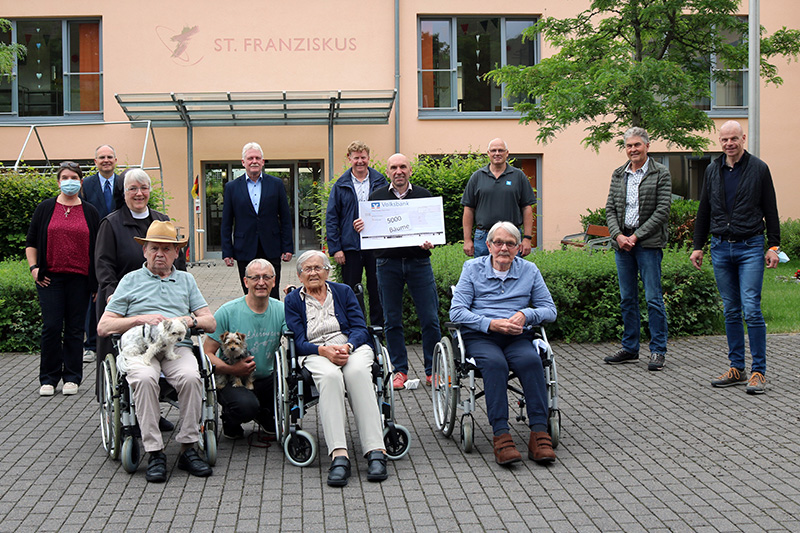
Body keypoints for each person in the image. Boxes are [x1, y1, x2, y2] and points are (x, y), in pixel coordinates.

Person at [97, 220, 216, 483]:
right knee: (143, 378)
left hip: (176, 347)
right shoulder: (130, 280)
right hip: (140, 348)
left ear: (176, 253)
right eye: (154, 249)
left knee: (191, 377)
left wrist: (189, 321)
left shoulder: (186, 280)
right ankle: (155, 451)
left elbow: (210, 321)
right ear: (144, 251)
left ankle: (187, 447)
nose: (159, 254)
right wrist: (139, 319)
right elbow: (104, 326)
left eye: (166, 249)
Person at [450, 221, 557, 466]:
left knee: (531, 361)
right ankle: (501, 435)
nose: (503, 248)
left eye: (510, 243)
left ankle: (539, 433)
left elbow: (550, 310)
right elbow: (456, 312)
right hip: (482, 336)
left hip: (517, 336)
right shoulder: (472, 268)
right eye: (498, 242)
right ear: (488, 246)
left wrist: (526, 315)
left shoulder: (529, 271)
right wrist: (490, 323)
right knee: (495, 365)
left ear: (519, 247)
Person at [284, 250, 389, 487]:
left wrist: (348, 346)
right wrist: (324, 351)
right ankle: (339, 455)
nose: (313, 273)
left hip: (351, 347)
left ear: (327, 271)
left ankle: (375, 451)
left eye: (318, 268)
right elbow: (298, 341)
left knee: (358, 373)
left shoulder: (343, 292)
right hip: (315, 351)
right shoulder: (292, 301)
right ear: (300, 276)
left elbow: (361, 327)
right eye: (307, 269)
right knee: (330, 377)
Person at [690, 120, 780, 395]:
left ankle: (758, 372)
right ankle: (736, 368)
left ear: (743, 139)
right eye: (724, 139)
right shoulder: (712, 170)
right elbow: (704, 210)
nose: (729, 144)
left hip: (750, 246)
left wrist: (774, 246)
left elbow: (771, 209)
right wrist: (698, 245)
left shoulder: (759, 169)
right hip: (719, 247)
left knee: (751, 309)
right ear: (719, 141)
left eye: (734, 139)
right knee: (730, 309)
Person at [94, 168, 185, 433]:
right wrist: (112, 293)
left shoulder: (161, 219)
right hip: (123, 302)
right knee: (125, 356)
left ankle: (152, 412)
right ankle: (123, 413)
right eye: (133, 188)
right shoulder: (111, 223)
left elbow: (178, 261)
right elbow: (103, 263)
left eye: (143, 188)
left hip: (161, 300)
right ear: (124, 193)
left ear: (149, 191)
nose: (139, 193)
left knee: (159, 352)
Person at [354, 153, 441, 390]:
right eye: (394, 167)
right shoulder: (376, 197)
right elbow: (370, 232)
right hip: (387, 265)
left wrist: (431, 240)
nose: (399, 171)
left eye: (403, 166)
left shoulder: (423, 196)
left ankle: (433, 371)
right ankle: (399, 371)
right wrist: (362, 226)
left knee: (430, 318)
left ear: (409, 170)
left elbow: (434, 231)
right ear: (388, 172)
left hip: (418, 262)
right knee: (391, 320)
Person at [26, 162, 100, 397]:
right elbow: (31, 242)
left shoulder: (90, 211)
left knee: (76, 329)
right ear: (58, 182)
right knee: (51, 327)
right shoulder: (45, 208)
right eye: (65, 177)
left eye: (74, 178)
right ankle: (48, 378)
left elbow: (98, 249)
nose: (70, 181)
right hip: (50, 279)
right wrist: (34, 268)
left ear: (80, 181)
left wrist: (96, 282)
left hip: (79, 279)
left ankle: (72, 377)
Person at [604, 127, 671, 371]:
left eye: (637, 145)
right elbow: (610, 208)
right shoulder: (619, 173)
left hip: (648, 245)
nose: (633, 149)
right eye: (629, 146)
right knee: (627, 298)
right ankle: (630, 347)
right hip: (622, 245)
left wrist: (636, 236)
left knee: (653, 298)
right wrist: (619, 236)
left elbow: (663, 210)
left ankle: (658, 350)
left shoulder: (660, 173)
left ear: (647, 146)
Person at [203, 259, 285, 439]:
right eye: (255, 277)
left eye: (266, 277)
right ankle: (230, 418)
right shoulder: (227, 311)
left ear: (274, 281)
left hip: (267, 378)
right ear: (245, 281)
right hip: (234, 378)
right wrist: (232, 369)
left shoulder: (282, 309)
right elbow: (207, 352)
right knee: (245, 407)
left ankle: (264, 413)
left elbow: (297, 336)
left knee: (296, 385)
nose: (261, 282)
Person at [325, 140, 387, 326]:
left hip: (375, 245)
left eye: (363, 157)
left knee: (377, 288)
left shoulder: (380, 181)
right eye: (356, 158)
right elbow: (331, 217)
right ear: (349, 159)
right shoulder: (340, 184)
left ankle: (377, 328)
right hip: (350, 246)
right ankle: (355, 327)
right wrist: (336, 248)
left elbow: (386, 211)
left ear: (368, 158)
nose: (360, 161)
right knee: (351, 290)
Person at [221, 142, 293, 298]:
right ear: (243, 162)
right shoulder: (232, 187)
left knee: (272, 292)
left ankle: (274, 321)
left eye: (257, 158)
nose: (254, 161)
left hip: (271, 247)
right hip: (244, 248)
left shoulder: (276, 184)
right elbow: (226, 222)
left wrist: (287, 247)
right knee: (249, 293)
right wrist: (227, 251)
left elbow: (285, 218)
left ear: (262, 161)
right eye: (250, 158)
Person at [79, 145, 124, 364]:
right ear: (95, 161)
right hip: (93, 244)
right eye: (101, 157)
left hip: (118, 242)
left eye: (109, 157)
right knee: (93, 294)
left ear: (115, 160)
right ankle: (90, 344)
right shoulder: (86, 184)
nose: (106, 160)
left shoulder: (123, 183)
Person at [461, 138, 536, 258]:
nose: (497, 153)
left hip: (512, 236)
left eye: (501, 150)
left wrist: (527, 238)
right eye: (493, 150)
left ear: (507, 153)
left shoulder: (518, 176)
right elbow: (468, 209)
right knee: (482, 274)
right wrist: (467, 239)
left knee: (512, 274)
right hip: (483, 237)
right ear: (488, 153)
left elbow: (527, 208)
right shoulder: (477, 177)